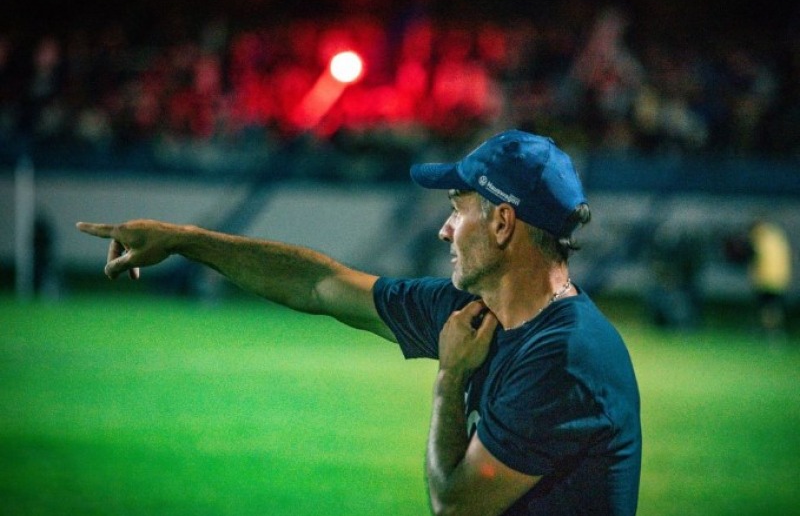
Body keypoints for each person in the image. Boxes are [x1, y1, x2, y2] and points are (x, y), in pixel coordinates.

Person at [77, 129, 642, 516]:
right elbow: (319, 284)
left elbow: (455, 504)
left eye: (457, 208)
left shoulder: (566, 358)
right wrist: (184, 240)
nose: (445, 229)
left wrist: (449, 379)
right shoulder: (472, 310)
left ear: (501, 223)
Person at [747, 218, 793, 341]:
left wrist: (754, 275)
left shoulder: (759, 237)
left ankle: (770, 332)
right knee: (774, 307)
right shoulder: (777, 235)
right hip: (780, 278)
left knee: (766, 308)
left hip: (765, 278)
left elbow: (756, 257)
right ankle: (775, 332)